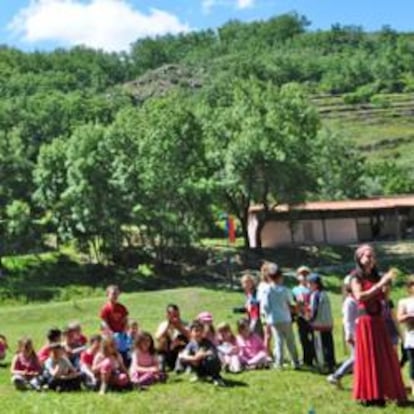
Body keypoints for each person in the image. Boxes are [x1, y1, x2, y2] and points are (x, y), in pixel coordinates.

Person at [351, 244, 406, 406]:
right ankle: (369, 394)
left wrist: (387, 285)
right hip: (365, 321)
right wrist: (380, 283)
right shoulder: (356, 277)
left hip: (378, 320)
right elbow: (360, 296)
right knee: (368, 356)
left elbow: (383, 298)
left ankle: (382, 392)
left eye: (372, 256)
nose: (370, 259)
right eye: (367, 256)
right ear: (359, 258)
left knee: (382, 356)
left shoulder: (376, 276)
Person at [261, 265, 299, 370]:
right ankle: (295, 361)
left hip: (274, 319)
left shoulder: (267, 290)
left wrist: (268, 316)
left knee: (279, 341)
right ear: (280, 277)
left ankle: (279, 363)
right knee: (290, 340)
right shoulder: (285, 290)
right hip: (286, 318)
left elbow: (265, 306)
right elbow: (291, 303)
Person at [327, 275, 358, 388]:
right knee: (355, 358)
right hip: (354, 334)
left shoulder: (356, 300)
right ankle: (336, 376)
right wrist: (349, 334)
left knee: (357, 358)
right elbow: (347, 320)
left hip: (360, 333)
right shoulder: (349, 302)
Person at [179, 320, 225, 386]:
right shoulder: (191, 344)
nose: (198, 333)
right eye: (196, 331)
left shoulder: (206, 342)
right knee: (184, 359)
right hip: (199, 365)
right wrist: (194, 358)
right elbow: (183, 355)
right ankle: (200, 375)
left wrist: (202, 355)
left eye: (200, 331)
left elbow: (212, 352)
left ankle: (216, 378)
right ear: (191, 332)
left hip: (210, 365)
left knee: (210, 359)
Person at [308, 273, 336, 373]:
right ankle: (331, 363)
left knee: (320, 346)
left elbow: (314, 310)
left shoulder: (315, 295)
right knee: (329, 345)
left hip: (319, 324)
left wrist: (310, 320)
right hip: (328, 323)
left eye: (309, 283)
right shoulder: (325, 293)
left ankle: (323, 365)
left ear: (315, 284)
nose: (308, 286)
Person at [100, 285, 130, 366]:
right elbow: (104, 322)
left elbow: (126, 320)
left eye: (117, 294)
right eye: (113, 294)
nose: (115, 296)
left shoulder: (121, 307)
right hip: (110, 334)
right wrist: (110, 333)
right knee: (112, 348)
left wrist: (124, 331)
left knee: (124, 347)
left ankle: (125, 363)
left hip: (121, 333)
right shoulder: (105, 308)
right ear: (107, 295)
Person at [292, 266, 315, 367]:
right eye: (302, 275)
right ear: (298, 277)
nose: (304, 277)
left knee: (314, 338)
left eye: (306, 274)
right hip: (301, 317)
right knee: (303, 338)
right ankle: (307, 359)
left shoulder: (312, 289)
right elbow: (294, 303)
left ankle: (316, 356)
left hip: (312, 316)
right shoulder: (295, 290)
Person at [155, 304, 189, 372]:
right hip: (168, 351)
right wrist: (168, 325)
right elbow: (157, 338)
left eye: (177, 315)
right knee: (162, 340)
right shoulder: (163, 325)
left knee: (181, 338)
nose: (176, 317)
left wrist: (179, 327)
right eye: (173, 315)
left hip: (180, 351)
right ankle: (162, 365)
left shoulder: (185, 324)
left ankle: (179, 366)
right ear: (167, 315)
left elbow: (190, 337)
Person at [397, 275, 414, 397]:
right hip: (411, 339)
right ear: (409, 287)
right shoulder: (404, 302)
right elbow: (399, 318)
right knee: (413, 365)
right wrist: (409, 316)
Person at [257, 263, 272, 352]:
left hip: (273, 312)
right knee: (268, 334)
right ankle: (266, 353)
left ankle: (270, 352)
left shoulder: (271, 284)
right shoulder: (263, 285)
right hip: (266, 312)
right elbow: (260, 300)